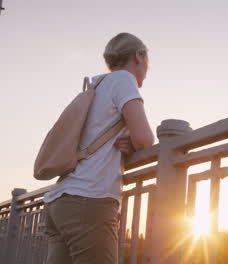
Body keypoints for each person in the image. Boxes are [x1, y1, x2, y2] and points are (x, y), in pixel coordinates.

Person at [43, 32, 155, 264]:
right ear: (139, 56)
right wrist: (134, 140)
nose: (147, 69)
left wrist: (128, 135)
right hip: (89, 201)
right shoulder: (124, 79)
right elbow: (145, 139)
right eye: (147, 62)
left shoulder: (96, 87)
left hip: (60, 202)